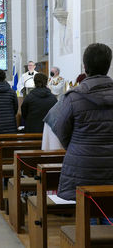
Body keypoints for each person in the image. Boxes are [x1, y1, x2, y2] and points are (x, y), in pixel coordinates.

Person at [44, 43, 113, 201]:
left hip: (81, 166)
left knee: (86, 215)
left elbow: (60, 130)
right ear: (108, 65)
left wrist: (77, 145)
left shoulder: (73, 97)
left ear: (85, 66)